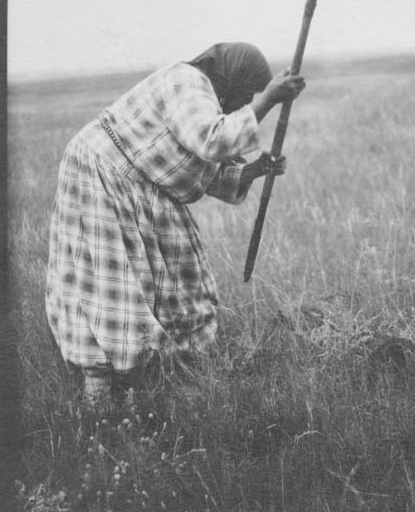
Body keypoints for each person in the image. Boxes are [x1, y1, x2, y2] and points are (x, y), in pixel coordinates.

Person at [45, 42, 305, 406]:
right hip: (100, 173)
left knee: (180, 270)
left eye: (253, 97)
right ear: (230, 78)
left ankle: (159, 372)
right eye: (247, 92)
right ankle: (99, 392)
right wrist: (269, 101)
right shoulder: (186, 81)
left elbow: (210, 173)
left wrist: (255, 170)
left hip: (141, 184)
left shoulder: (206, 105)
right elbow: (213, 140)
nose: (246, 101)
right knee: (113, 283)